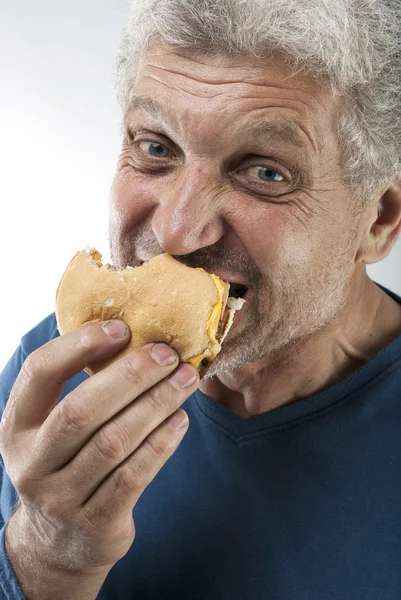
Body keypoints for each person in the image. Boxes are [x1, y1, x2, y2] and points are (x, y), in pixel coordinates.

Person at [1, 0, 401, 598]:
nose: (176, 232)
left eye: (266, 172)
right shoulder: (54, 375)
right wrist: (47, 559)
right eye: (156, 147)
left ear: (379, 220)